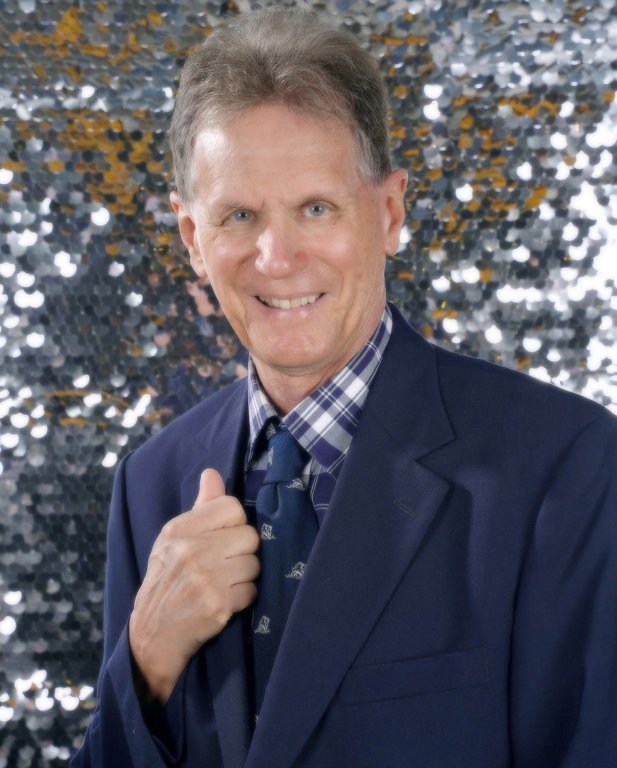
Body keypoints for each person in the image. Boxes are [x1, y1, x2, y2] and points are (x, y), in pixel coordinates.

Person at [73, 8, 617, 767]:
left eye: (316, 208)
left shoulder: (563, 464)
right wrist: (146, 663)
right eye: (239, 215)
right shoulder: (151, 483)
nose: (277, 257)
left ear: (388, 212)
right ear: (194, 238)